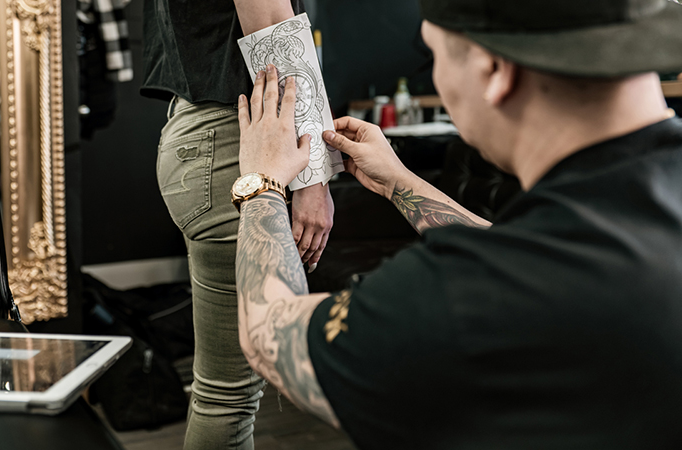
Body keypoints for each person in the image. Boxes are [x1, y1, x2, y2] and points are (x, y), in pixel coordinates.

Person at [232, 0, 682, 448]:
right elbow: (531, 261)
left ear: (493, 69)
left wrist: (263, 184)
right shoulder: (602, 247)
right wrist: (401, 183)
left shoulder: (464, 300)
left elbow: (267, 331)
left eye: (435, 54)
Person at [140, 1, 335, 449]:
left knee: (223, 395)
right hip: (237, 142)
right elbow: (272, 29)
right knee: (228, 399)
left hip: (202, 136)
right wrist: (311, 178)